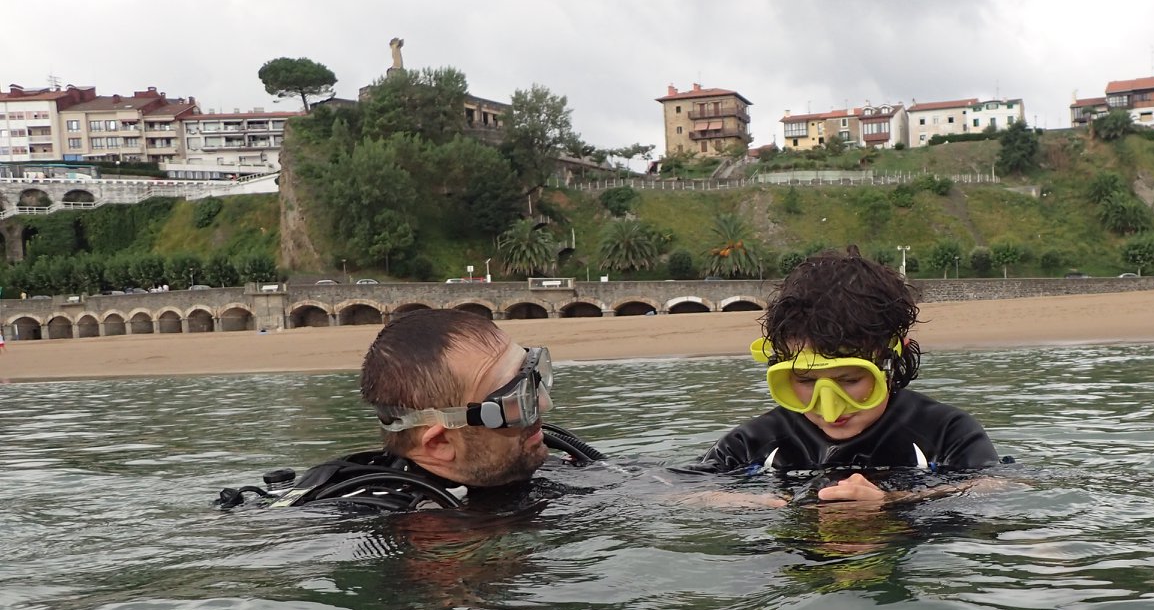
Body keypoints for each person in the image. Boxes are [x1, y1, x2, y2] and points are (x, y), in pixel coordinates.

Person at [693, 246, 999, 503]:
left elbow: (1001, 486)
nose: (829, 408)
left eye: (850, 380)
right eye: (805, 380)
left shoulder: (946, 432)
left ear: (892, 362)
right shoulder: (755, 442)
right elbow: (666, 488)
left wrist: (891, 501)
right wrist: (735, 501)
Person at [220, 309, 601, 511]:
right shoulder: (405, 527)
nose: (544, 405)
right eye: (517, 399)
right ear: (438, 445)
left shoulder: (528, 461)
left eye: (535, 380)